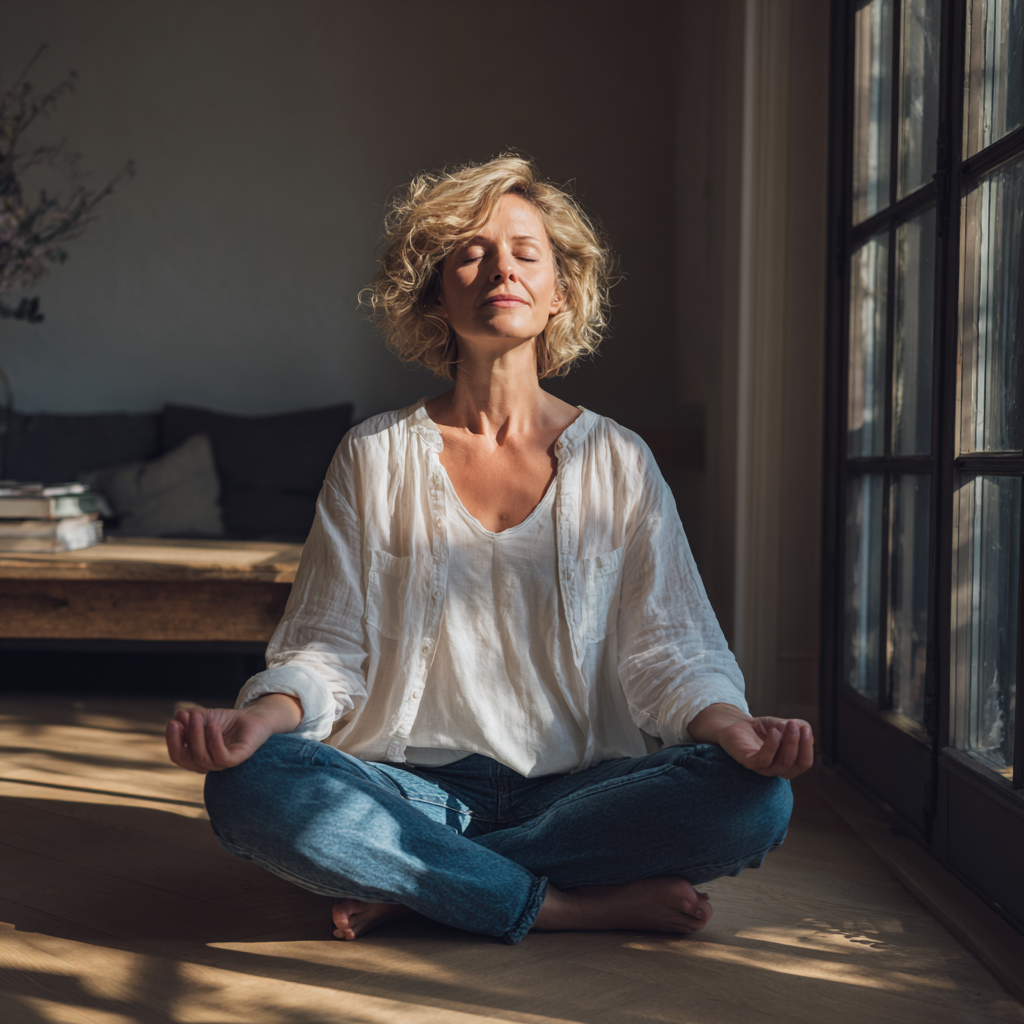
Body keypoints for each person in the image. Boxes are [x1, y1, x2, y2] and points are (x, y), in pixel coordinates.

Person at [165, 155, 814, 945]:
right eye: (470, 252)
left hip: (580, 796)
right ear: (436, 290)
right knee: (249, 789)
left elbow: (671, 651)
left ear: (559, 292)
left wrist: (733, 730)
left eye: (524, 252)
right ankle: (561, 906)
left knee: (754, 800)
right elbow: (328, 646)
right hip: (407, 791)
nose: (500, 267)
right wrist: (261, 720)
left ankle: (422, 885)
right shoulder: (374, 455)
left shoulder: (618, 460)